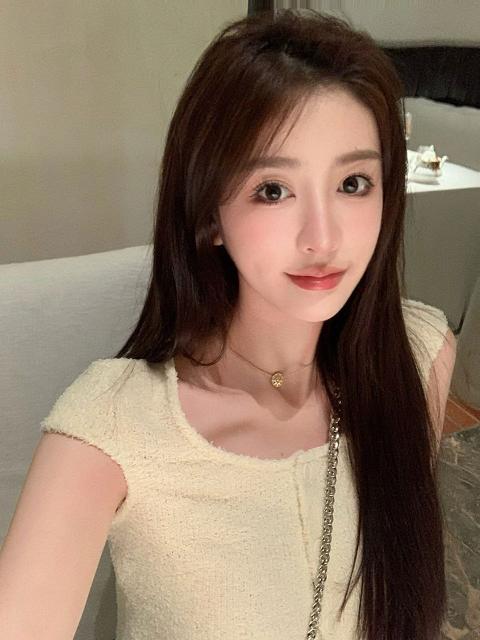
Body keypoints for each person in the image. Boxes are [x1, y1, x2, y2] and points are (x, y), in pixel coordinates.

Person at [0, 8, 456, 640]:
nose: (323, 238)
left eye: (353, 182)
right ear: (209, 215)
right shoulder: (110, 431)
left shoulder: (419, 355)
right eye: (273, 190)